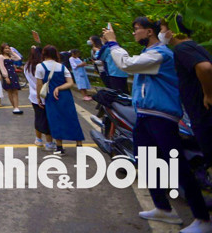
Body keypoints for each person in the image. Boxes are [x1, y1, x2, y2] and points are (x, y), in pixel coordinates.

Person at [103, 18, 211, 231]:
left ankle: (203, 219)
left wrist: (113, 43)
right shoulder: (149, 54)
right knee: (146, 162)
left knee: (177, 166)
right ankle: (163, 208)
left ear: (149, 31)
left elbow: (127, 64)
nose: (134, 34)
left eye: (136, 30)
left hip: (161, 116)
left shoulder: (161, 54)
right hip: (144, 115)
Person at [159, 17, 212, 181]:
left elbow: (205, 67)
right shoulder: (196, 46)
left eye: (161, 29)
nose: (160, 33)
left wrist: (208, 94)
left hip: (202, 113)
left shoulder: (182, 48)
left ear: (172, 30)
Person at [36, 45, 85, 155]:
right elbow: (70, 82)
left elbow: (39, 84)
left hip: (51, 97)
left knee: (55, 120)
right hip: (66, 96)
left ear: (44, 54)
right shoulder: (62, 67)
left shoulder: (40, 66)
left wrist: (39, 98)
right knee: (72, 118)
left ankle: (59, 147)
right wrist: (59, 87)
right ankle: (79, 144)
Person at [23, 45, 54, 151]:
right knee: (48, 119)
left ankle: (38, 140)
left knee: (38, 117)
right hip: (44, 95)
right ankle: (49, 143)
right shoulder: (43, 66)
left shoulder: (27, 66)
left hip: (33, 96)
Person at [0, 43, 23, 114]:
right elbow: (2, 67)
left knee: (16, 91)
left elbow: (18, 58)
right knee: (10, 91)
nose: (7, 49)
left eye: (8, 48)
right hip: (7, 75)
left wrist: (11, 52)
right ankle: (14, 107)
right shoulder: (1, 57)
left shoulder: (10, 56)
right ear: (2, 49)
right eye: (5, 48)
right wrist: (6, 77)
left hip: (13, 74)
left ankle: (17, 107)